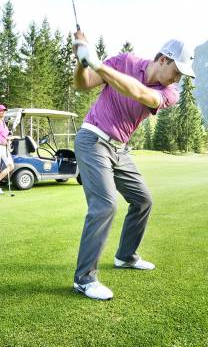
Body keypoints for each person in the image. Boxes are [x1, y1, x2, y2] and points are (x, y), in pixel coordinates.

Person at [72, 31, 195, 300]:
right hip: (92, 139)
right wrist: (81, 60)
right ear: (163, 59)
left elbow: (140, 93)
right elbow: (83, 84)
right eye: (177, 71)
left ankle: (126, 256)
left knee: (142, 200)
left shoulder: (169, 93)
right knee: (105, 205)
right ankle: (84, 279)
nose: (178, 79)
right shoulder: (124, 61)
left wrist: (97, 63)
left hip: (120, 149)